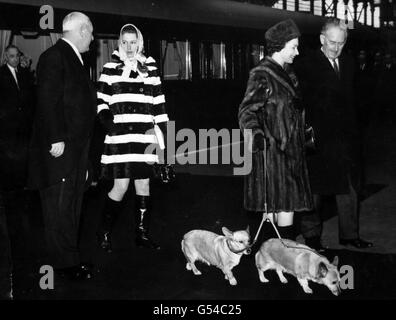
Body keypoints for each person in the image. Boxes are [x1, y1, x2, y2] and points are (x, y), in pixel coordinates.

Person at [28, 12, 96, 280]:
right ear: (81, 30)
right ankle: (64, 264)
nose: (93, 39)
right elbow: (47, 100)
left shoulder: (73, 58)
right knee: (58, 208)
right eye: (90, 33)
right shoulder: (54, 56)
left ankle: (69, 257)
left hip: (76, 149)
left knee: (70, 206)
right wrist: (56, 138)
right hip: (61, 149)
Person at [295, 18, 373, 250]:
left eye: (341, 43)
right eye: (332, 42)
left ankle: (349, 235)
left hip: (346, 140)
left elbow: (355, 101)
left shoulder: (348, 63)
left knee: (350, 189)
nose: (336, 47)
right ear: (322, 39)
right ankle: (312, 239)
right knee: (315, 193)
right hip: (318, 140)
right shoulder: (305, 64)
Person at [238, 19, 313, 247]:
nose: (297, 52)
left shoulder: (288, 73)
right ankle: (279, 256)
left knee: (284, 205)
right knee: (277, 206)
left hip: (290, 149)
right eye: (293, 47)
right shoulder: (261, 74)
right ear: (279, 46)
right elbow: (246, 111)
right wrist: (257, 135)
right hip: (271, 152)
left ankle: (280, 256)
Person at [96, 24, 168, 252]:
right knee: (121, 186)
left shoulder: (151, 67)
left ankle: (142, 234)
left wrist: (164, 140)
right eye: (125, 42)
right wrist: (109, 123)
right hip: (120, 137)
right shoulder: (109, 67)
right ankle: (104, 232)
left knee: (144, 184)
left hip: (145, 136)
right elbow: (100, 100)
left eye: (133, 42)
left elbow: (159, 104)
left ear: (140, 42)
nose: (129, 47)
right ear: (119, 42)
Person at [0, 45, 34, 189]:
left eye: (17, 55)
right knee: (9, 160)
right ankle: (9, 186)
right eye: (12, 56)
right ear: (6, 57)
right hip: (7, 125)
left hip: (23, 125)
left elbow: (29, 95)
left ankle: (21, 184)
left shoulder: (23, 73)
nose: (15, 59)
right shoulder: (1, 73)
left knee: (23, 157)